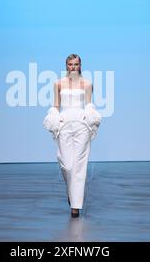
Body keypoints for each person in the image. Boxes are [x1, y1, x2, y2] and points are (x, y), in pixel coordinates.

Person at [43, 54, 101, 218]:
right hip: (64, 124)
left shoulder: (87, 84)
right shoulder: (58, 84)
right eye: (70, 64)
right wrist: (54, 119)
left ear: (80, 65)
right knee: (67, 165)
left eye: (76, 64)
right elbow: (56, 104)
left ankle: (75, 207)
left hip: (81, 125)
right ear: (66, 66)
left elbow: (89, 104)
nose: (73, 67)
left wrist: (90, 119)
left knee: (79, 165)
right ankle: (71, 191)